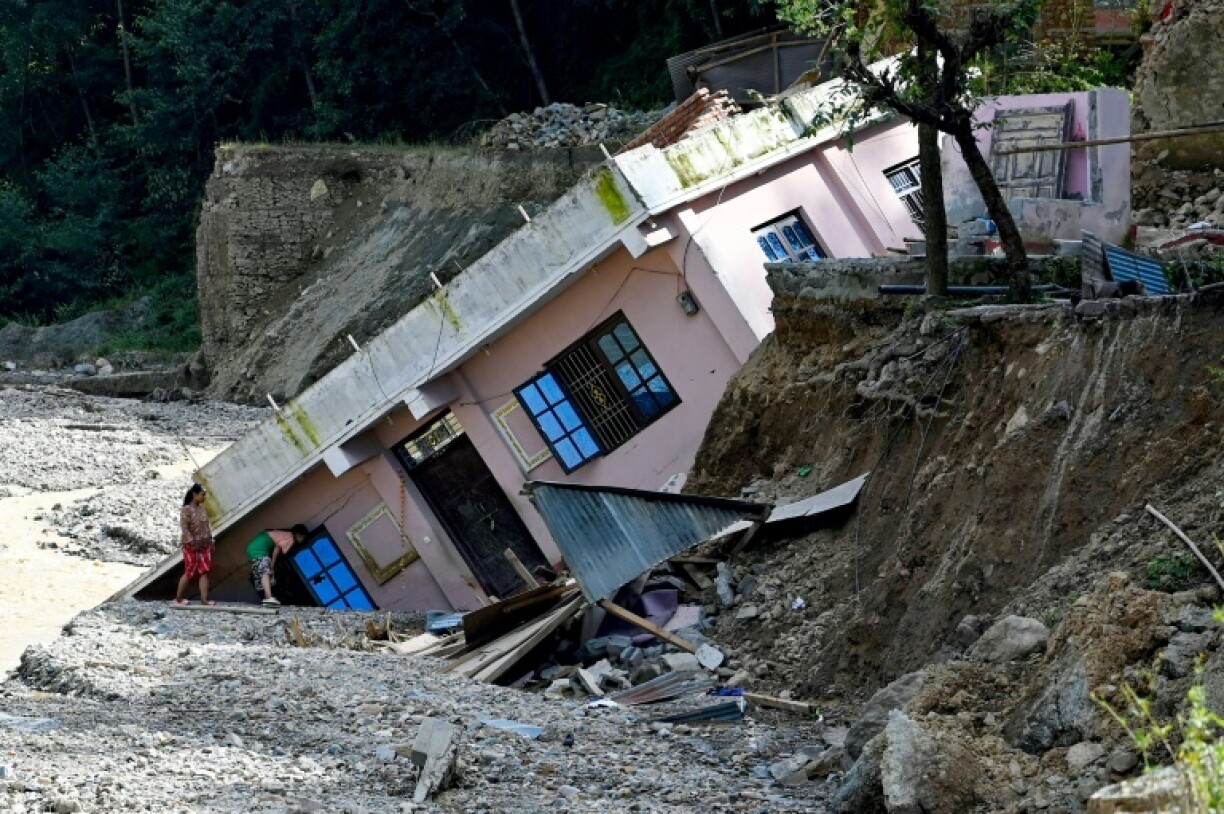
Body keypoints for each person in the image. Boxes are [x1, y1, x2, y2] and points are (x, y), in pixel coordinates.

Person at [247, 524, 308, 606]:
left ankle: (267, 598)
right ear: (298, 534)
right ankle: (268, 597)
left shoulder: (284, 534)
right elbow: (277, 548)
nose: (303, 540)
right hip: (260, 548)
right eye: (303, 537)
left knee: (262, 574)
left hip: (254, 546)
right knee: (266, 571)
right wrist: (272, 564)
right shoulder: (291, 539)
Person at [175, 483, 215, 606]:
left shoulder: (202, 509)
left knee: (205, 571)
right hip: (191, 546)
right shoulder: (186, 510)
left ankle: (204, 600)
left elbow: (206, 527)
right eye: (202, 494)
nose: (204, 497)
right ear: (195, 494)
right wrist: (192, 542)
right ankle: (178, 599)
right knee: (190, 571)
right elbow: (184, 528)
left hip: (204, 545)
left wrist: (211, 540)